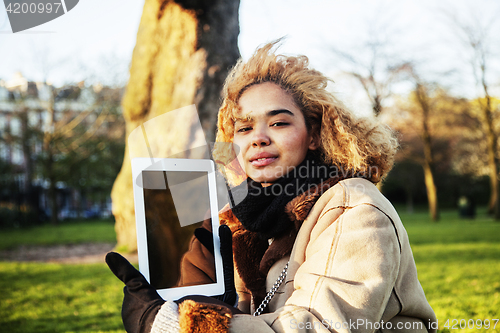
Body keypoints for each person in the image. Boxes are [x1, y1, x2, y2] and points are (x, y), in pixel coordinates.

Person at [106, 41, 437, 333]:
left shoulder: (355, 208)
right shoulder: (240, 220)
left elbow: (321, 327)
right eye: (245, 127)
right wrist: (196, 298)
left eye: (278, 122)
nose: (258, 138)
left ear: (315, 134)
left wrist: (169, 325)